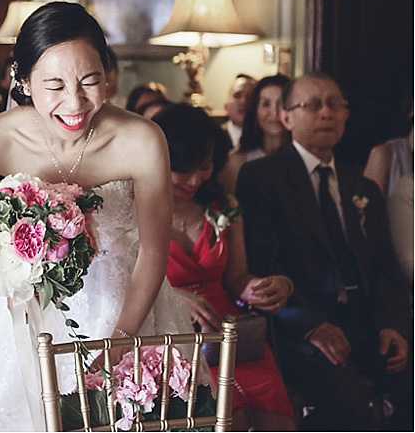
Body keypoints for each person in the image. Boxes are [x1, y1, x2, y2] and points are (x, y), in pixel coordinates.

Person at [0, 2, 198, 431]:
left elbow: (154, 249)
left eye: (90, 81)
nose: (75, 103)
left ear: (108, 73)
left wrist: (122, 339)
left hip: (130, 305)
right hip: (26, 316)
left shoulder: (143, 140)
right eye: (54, 86)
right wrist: (7, 270)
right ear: (23, 81)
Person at [236, 73, 412, 430]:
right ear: (287, 117)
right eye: (312, 105)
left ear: (347, 114)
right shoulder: (262, 177)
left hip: (364, 323)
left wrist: (392, 325)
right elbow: (263, 266)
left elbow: (384, 268)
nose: (326, 113)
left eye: (335, 104)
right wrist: (311, 325)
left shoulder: (361, 186)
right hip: (300, 328)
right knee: (353, 408)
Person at [156, 104, 295, 430]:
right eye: (182, 169)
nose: (194, 180)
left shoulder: (224, 207)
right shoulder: (133, 210)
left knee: (274, 414)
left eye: (204, 167)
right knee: (224, 417)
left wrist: (265, 288)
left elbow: (236, 277)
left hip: (232, 332)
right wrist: (169, 296)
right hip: (171, 332)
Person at [220, 74, 291, 194]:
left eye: (282, 104)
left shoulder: (304, 159)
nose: (274, 113)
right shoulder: (234, 163)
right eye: (266, 104)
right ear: (255, 111)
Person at [224, 74, 257, 150]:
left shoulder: (267, 141)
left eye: (251, 97)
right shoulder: (213, 138)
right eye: (237, 96)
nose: (244, 101)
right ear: (226, 107)